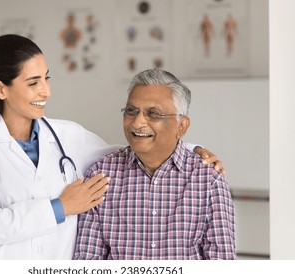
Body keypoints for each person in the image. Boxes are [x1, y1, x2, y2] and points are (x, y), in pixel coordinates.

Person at [0, 34, 225, 260]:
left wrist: (191, 149)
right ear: (1, 89)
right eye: (33, 83)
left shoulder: (67, 135)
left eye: (47, 79)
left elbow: (131, 148)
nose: (46, 91)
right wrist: (62, 206)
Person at [74, 69, 236, 260]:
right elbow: (87, 262)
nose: (138, 122)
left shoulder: (208, 179)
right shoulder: (101, 176)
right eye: (131, 111)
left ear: (182, 126)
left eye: (153, 114)